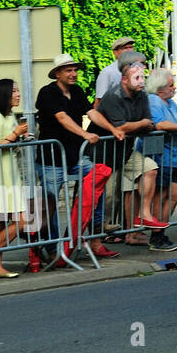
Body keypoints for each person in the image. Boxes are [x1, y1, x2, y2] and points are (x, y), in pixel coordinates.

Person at [33, 54, 119, 269]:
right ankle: (52, 248)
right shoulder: (47, 92)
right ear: (57, 73)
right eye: (68, 70)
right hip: (51, 158)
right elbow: (62, 118)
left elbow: (92, 112)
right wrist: (84, 134)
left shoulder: (78, 91)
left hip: (75, 157)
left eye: (75, 70)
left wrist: (112, 129)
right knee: (50, 203)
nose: (73, 74)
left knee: (97, 183)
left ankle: (91, 237)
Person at [88, 54, 163, 240]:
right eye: (137, 78)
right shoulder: (113, 96)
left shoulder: (142, 95)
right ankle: (98, 234)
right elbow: (121, 126)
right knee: (108, 196)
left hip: (125, 151)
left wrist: (142, 123)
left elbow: (149, 123)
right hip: (104, 153)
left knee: (150, 168)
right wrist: (142, 123)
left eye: (143, 78)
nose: (141, 82)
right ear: (124, 79)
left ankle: (144, 214)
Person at [0, 79, 31, 277]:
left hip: (11, 175)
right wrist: (15, 134)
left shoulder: (10, 116)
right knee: (21, 221)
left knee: (0, 223)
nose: (18, 95)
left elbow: (9, 144)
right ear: (5, 95)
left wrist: (21, 138)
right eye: (15, 91)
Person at [143, 68, 177, 252]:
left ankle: (160, 232)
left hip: (172, 156)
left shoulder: (169, 102)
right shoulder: (154, 101)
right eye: (171, 85)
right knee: (162, 196)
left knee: (174, 195)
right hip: (160, 156)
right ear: (159, 89)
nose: (174, 88)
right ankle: (157, 236)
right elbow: (160, 124)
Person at [93, 38, 141, 109]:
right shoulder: (108, 72)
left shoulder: (136, 70)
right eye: (125, 48)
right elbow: (99, 101)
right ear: (115, 52)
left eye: (131, 47)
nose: (129, 50)